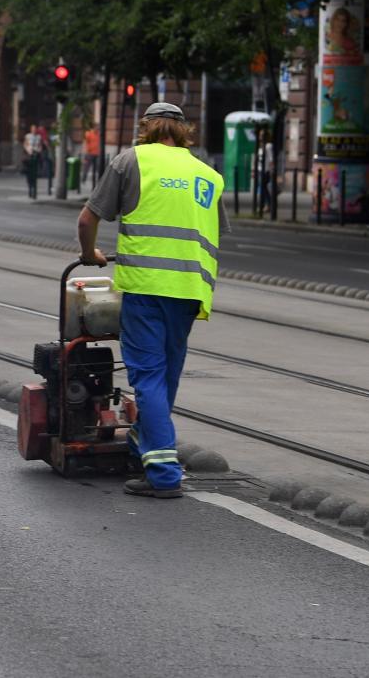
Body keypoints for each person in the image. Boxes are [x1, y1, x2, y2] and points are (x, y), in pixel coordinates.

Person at [77, 102, 227, 500]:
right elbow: (215, 231)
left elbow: (87, 219)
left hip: (145, 287)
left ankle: (162, 472)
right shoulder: (208, 175)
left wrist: (90, 254)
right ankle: (145, 442)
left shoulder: (131, 162)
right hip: (190, 291)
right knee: (165, 376)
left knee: (147, 377)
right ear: (184, 132)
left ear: (145, 128)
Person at [23, 124, 43, 200]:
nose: (34, 130)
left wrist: (39, 150)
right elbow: (25, 144)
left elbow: (40, 145)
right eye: (33, 129)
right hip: (29, 156)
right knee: (29, 175)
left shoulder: (39, 137)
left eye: (35, 129)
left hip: (36, 155)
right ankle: (30, 189)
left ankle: (34, 192)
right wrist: (28, 150)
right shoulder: (28, 136)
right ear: (31, 129)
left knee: (34, 175)